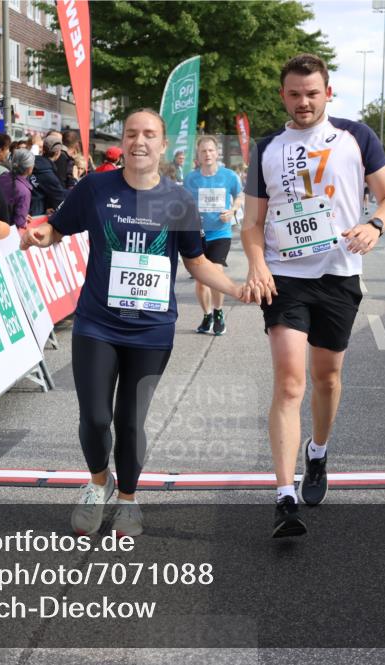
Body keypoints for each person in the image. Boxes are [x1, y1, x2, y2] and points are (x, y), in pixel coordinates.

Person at [22, 109, 247, 537]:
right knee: (94, 417)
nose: (139, 141)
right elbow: (57, 228)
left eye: (149, 135)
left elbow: (196, 262)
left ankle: (128, 499)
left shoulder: (179, 200)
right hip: (97, 324)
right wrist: (41, 236)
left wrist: (237, 289)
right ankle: (97, 483)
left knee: (129, 420)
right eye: (131, 134)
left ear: (163, 146)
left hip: (151, 331)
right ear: (122, 143)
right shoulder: (94, 187)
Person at [242, 53, 385, 538]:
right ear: (282, 95)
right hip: (285, 277)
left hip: (337, 275)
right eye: (294, 94)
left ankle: (318, 451)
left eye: (312, 93)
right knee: (291, 383)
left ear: (328, 93)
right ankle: (283, 496)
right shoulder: (268, 146)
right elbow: (251, 224)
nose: (303, 102)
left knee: (326, 378)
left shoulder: (357, 137)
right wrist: (256, 263)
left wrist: (376, 224)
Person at [183, 134, 244, 336]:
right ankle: (207, 314)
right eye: (203, 151)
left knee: (215, 274)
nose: (207, 154)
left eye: (211, 150)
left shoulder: (228, 176)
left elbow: (240, 195)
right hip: (198, 234)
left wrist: (233, 210)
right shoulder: (191, 178)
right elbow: (184, 202)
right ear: (198, 156)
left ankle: (218, 313)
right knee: (201, 281)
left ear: (216, 153)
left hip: (220, 232)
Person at [29, 135, 67, 216]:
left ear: (43, 149)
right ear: (57, 152)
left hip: (23, 210)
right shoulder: (49, 176)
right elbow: (61, 197)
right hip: (34, 215)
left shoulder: (29, 162)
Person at [0, 149, 34, 229]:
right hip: (8, 231)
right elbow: (19, 223)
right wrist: (23, 220)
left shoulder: (4, 176)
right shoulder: (24, 191)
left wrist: (23, 215)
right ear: (29, 169)